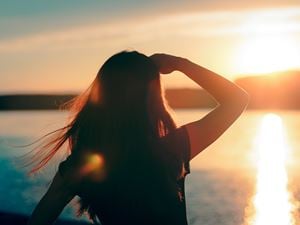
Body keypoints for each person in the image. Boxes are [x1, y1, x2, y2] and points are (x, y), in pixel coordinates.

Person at [27, 50, 249, 225]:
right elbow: (237, 100)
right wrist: (180, 63)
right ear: (152, 101)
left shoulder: (79, 167)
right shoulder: (172, 150)